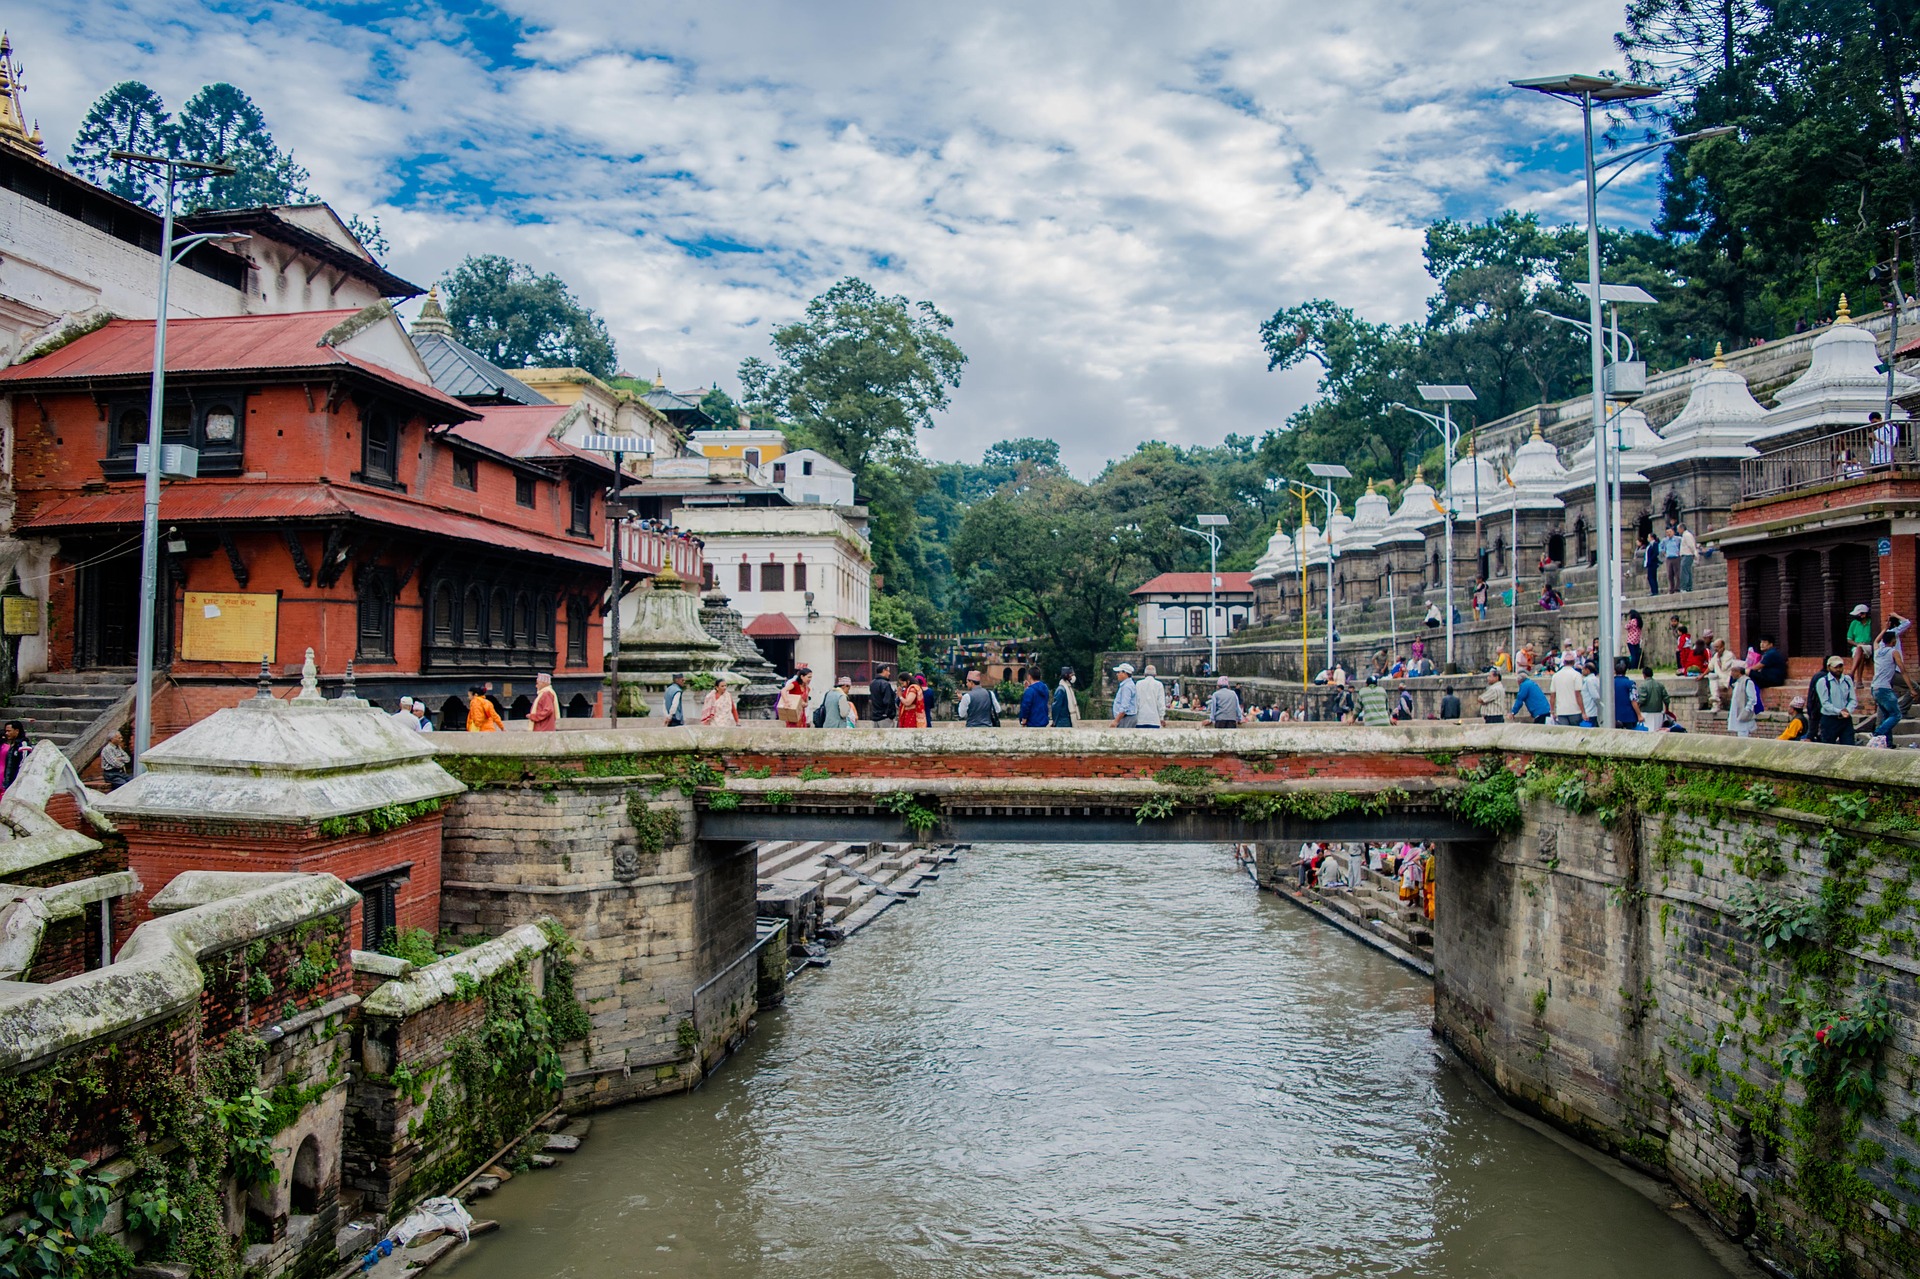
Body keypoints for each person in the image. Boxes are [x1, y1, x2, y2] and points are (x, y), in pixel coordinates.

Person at [1871, 614, 1912, 743]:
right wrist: (1912, 688)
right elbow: (1903, 671)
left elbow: (1875, 641)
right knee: (1896, 715)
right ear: (1893, 641)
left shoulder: (1877, 651)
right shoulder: (1893, 652)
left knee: (1886, 716)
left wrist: (1884, 628)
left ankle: (1888, 743)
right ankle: (1877, 733)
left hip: (1874, 688)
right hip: (1885, 689)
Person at [1812, 655, 1857, 745]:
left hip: (1845, 719)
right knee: (1828, 747)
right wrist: (1839, 711)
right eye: (1836, 667)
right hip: (1830, 719)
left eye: (1840, 667)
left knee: (1849, 746)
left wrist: (1848, 710)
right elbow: (1825, 703)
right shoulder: (1823, 682)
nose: (1838, 669)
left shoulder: (1847, 680)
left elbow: (1853, 699)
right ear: (1829, 667)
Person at [1727, 660, 1759, 737]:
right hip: (1737, 712)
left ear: (1738, 672)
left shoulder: (1747, 682)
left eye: (1733, 671)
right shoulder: (1737, 682)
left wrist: (1746, 710)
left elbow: (1752, 698)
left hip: (1743, 713)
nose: (1732, 673)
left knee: (1744, 732)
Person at [1551, 657, 1583, 726]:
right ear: (1573, 662)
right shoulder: (1576, 675)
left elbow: (1553, 696)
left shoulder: (1555, 676)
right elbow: (1578, 694)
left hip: (1561, 710)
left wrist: (1552, 711)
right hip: (1575, 710)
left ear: (1564, 662)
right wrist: (1583, 712)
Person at [1134, 664, 1168, 728]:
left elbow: (1136, 702)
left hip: (1141, 719)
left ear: (1144, 674)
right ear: (1155, 675)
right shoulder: (1159, 685)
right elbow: (1160, 703)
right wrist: (1161, 717)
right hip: (1154, 719)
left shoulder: (1138, 684)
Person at [1611, 658, 1642, 728]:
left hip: (1613, 716)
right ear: (1626, 671)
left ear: (1615, 671)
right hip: (1629, 717)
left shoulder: (1610, 684)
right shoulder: (1630, 684)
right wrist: (1639, 715)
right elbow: (1634, 700)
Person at [1846, 603, 1874, 679]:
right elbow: (1849, 639)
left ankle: (1852, 672)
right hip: (1857, 647)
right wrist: (1857, 644)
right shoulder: (1854, 623)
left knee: (1860, 649)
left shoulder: (1871, 623)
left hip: (1869, 646)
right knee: (1860, 652)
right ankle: (1859, 681)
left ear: (1864, 614)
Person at [1706, 638, 1734, 711]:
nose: (1715, 649)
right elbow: (1710, 667)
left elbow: (1723, 668)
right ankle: (1715, 703)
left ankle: (1716, 704)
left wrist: (1718, 658)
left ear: (1723, 647)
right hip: (1718, 679)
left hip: (1726, 679)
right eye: (1715, 647)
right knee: (1712, 679)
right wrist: (1701, 676)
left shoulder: (1729, 655)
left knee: (1714, 682)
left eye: (1717, 647)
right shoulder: (1716, 655)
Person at [1110, 662, 1140, 728]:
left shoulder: (1127, 687)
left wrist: (1116, 721)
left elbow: (1124, 706)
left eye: (1119, 672)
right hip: (1126, 717)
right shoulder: (1128, 685)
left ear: (1125, 673)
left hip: (1126, 718)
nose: (1117, 674)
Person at [1580, 661, 1604, 728]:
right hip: (1593, 710)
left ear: (1587, 670)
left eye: (1583, 669)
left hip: (1589, 711)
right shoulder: (1595, 679)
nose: (1582, 671)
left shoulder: (1589, 681)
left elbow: (1595, 696)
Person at [1660, 524, 1683, 593]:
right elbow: (1660, 547)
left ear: (1673, 532)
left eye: (1670, 532)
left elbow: (1682, 545)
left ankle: (1677, 587)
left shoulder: (1678, 539)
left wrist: (1680, 552)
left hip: (1676, 557)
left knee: (1677, 574)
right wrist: (1663, 552)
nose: (1668, 534)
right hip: (1668, 558)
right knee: (1670, 574)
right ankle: (1671, 588)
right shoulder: (1664, 540)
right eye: (1667, 532)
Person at [1677, 522, 1697, 592]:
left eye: (1678, 529)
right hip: (1686, 555)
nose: (1678, 531)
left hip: (1688, 555)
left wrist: (1694, 553)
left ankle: (1684, 587)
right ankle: (1689, 587)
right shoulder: (1684, 535)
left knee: (1684, 570)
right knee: (1687, 571)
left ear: (1682, 528)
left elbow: (1691, 545)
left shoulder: (1687, 535)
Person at [1641, 532, 1660, 596]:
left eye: (1648, 537)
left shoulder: (1655, 544)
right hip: (1649, 563)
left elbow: (1655, 553)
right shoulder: (1649, 545)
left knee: (1651, 577)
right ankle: (1654, 590)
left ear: (1651, 538)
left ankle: (1654, 591)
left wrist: (1651, 559)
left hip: (1653, 563)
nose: (1647, 538)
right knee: (1652, 577)